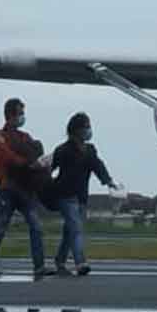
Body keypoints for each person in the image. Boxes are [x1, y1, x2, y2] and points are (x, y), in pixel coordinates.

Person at [0, 98, 54, 280]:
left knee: (36, 227)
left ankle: (39, 266)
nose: (22, 117)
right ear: (11, 115)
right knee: (1, 227)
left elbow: (35, 153)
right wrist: (25, 162)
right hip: (8, 188)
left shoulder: (25, 137)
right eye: (20, 113)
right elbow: (6, 154)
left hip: (25, 189)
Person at [50, 112, 117, 276]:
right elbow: (49, 168)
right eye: (86, 126)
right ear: (77, 130)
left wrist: (108, 180)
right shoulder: (62, 150)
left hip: (81, 197)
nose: (89, 130)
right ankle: (80, 262)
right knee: (76, 228)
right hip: (65, 196)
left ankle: (60, 260)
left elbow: (97, 165)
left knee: (69, 231)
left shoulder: (90, 150)